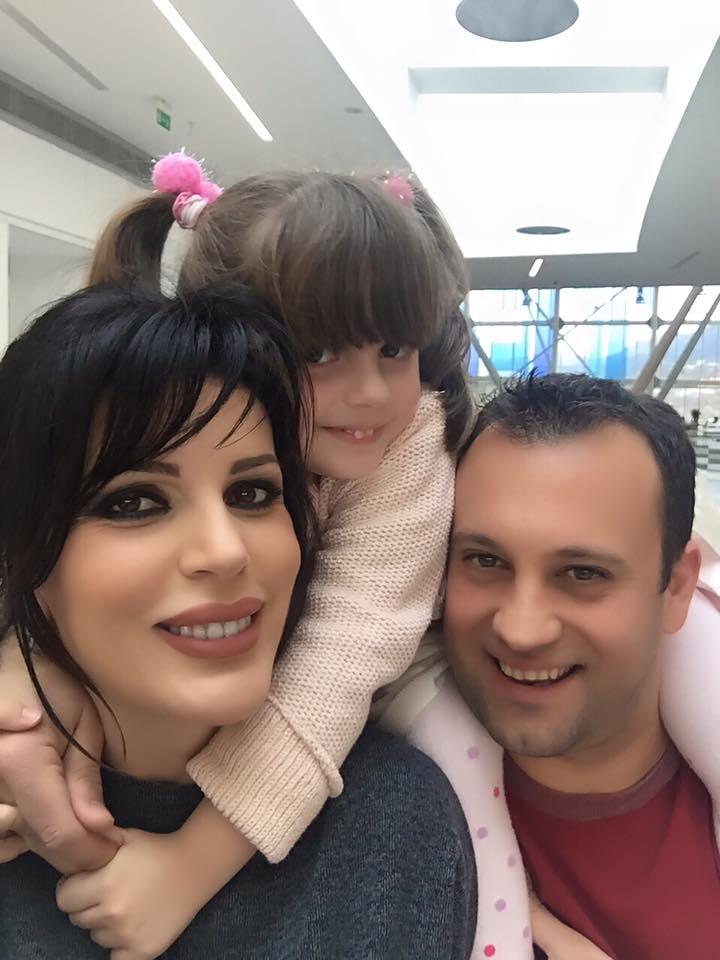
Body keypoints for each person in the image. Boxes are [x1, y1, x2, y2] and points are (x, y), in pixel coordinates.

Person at [0, 153, 475, 956]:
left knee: (465, 754)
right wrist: (27, 668)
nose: (369, 391)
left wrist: (190, 865)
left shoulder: (405, 450)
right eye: (318, 353)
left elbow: (342, 660)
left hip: (389, 688)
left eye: (396, 348)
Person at [377, 372, 719, 959]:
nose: (521, 629)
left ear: (678, 587)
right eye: (486, 561)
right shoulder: (372, 836)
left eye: (583, 573)